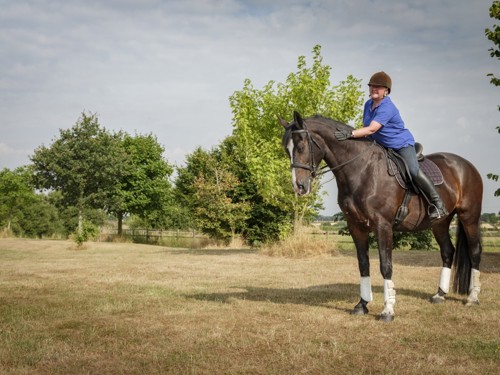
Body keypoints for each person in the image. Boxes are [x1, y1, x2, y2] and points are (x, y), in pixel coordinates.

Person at [334, 71, 448, 221]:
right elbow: (366, 128)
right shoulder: (368, 104)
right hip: (381, 144)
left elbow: (372, 129)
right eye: (372, 86)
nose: (374, 89)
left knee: (413, 171)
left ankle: (438, 204)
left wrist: (350, 134)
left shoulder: (387, 107)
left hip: (400, 145)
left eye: (378, 87)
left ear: (386, 91)